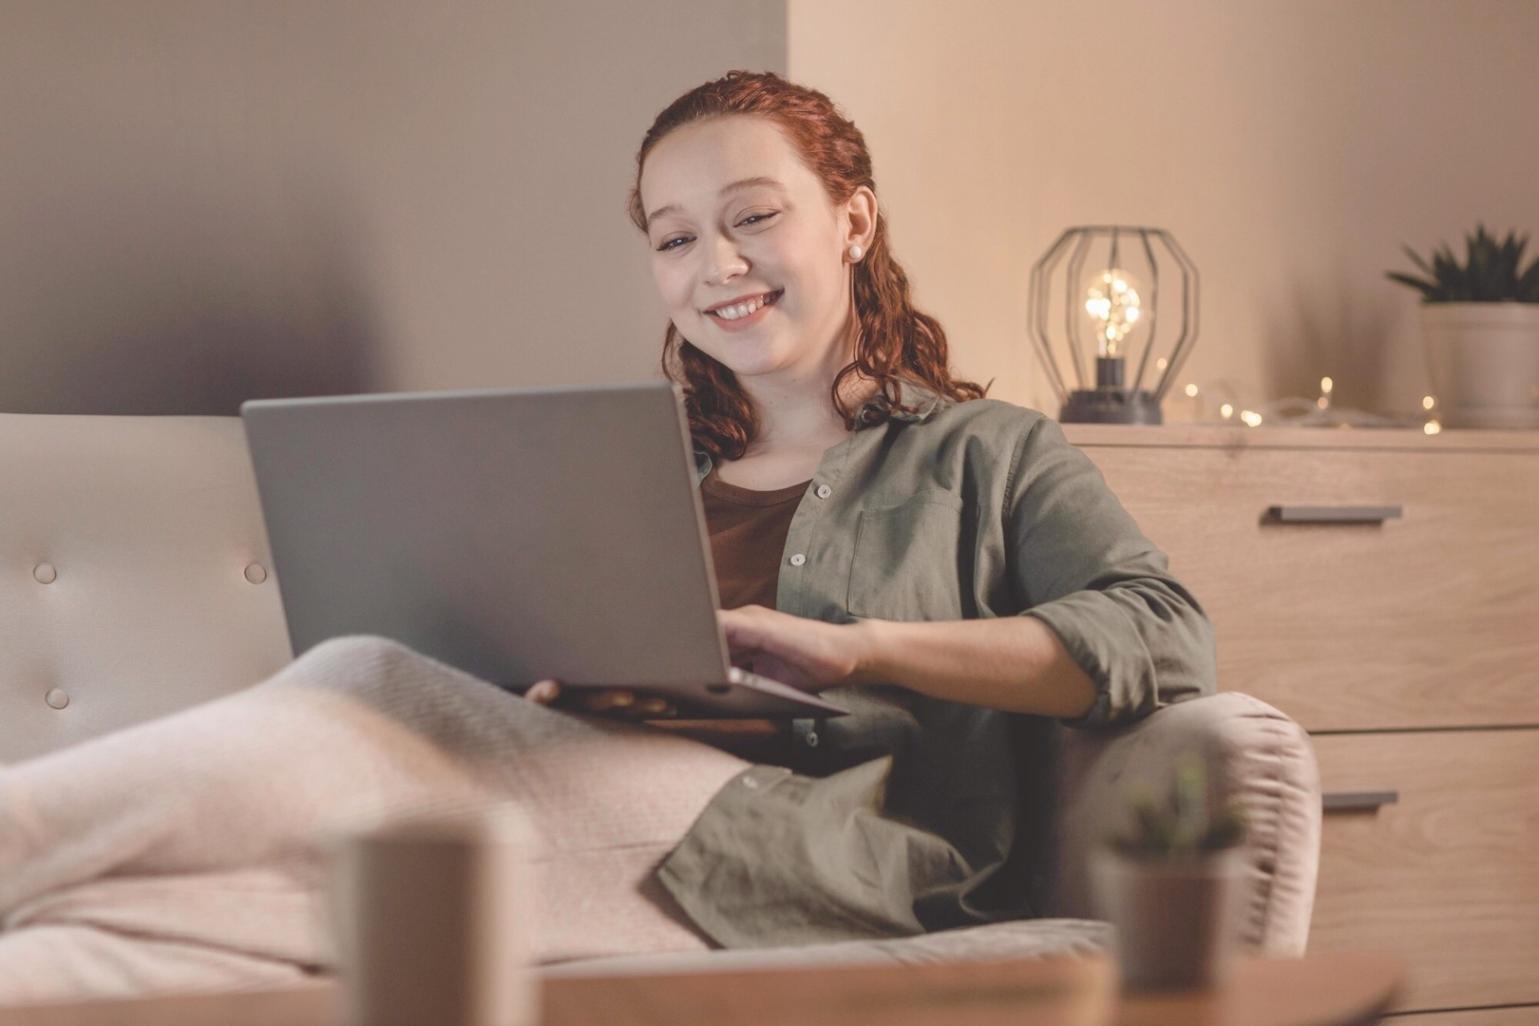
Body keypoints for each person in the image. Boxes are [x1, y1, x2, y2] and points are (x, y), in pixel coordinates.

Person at [0, 70, 1214, 1002]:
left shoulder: (987, 453)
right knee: (102, 940)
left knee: (361, 679)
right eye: (676, 238)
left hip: (820, 854)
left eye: (753, 217)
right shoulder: (640, 477)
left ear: (852, 221)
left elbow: (1162, 636)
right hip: (569, 790)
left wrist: (862, 650)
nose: (716, 265)